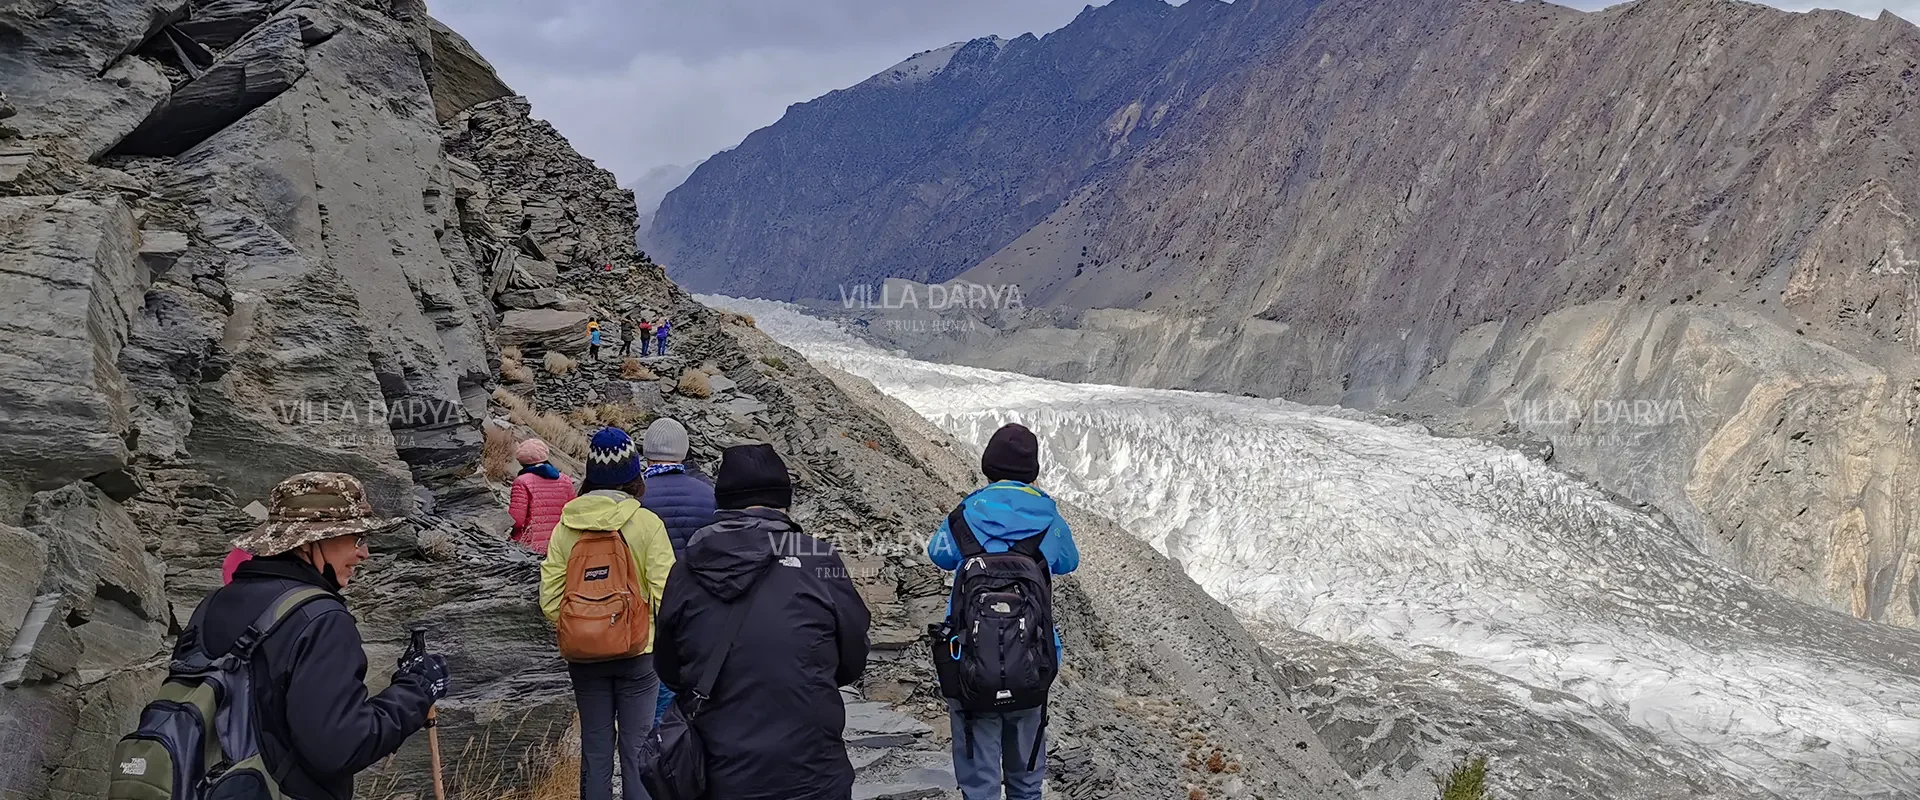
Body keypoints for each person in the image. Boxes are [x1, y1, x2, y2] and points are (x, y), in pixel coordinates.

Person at [195, 472, 448, 800]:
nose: (364, 553)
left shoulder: (214, 603)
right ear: (311, 541)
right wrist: (416, 691)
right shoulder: (321, 619)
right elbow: (339, 748)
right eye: (356, 538)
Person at [655, 443, 870, 800]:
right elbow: (852, 659)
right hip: (812, 769)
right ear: (783, 503)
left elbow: (669, 668)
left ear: (721, 504)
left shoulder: (685, 571)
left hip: (718, 772)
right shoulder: (818, 559)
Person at [927, 423, 1079, 800]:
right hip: (1032, 658)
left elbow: (937, 554)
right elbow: (1068, 562)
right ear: (1033, 472)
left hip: (970, 660)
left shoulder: (964, 517)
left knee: (978, 780)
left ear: (988, 466)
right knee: (1026, 777)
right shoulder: (1049, 520)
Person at [541, 427, 677, 800]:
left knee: (595, 750)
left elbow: (550, 600)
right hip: (639, 654)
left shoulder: (564, 527)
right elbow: (668, 597)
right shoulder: (648, 525)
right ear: (634, 474)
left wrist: (586, 629)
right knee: (636, 753)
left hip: (584, 658)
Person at [636, 418, 717, 723]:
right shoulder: (707, 494)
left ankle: (656, 741)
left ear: (647, 451)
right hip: (696, 601)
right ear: (683, 452)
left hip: (647, 603)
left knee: (653, 678)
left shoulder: (636, 496)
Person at [509, 438, 577, 554]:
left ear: (521, 461)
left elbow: (516, 521)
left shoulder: (521, 481)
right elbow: (573, 513)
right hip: (559, 545)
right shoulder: (565, 480)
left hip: (529, 547)